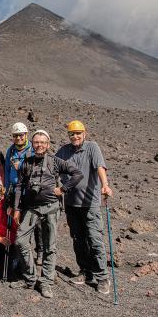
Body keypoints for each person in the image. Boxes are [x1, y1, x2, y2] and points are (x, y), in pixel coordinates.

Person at [10, 130, 83, 299]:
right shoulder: (26, 162)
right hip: (31, 208)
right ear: (32, 143)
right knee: (20, 240)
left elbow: (78, 174)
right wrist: (16, 208)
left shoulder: (55, 161)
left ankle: (46, 282)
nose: (39, 145)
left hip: (51, 207)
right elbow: (20, 186)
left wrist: (63, 189)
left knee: (50, 247)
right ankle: (30, 278)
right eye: (36, 142)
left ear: (48, 145)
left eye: (43, 142)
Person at [56, 120, 113, 294]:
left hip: (90, 203)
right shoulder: (64, 151)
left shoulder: (92, 147)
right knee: (78, 240)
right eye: (72, 134)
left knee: (95, 240)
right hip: (72, 204)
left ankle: (102, 277)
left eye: (78, 133)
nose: (75, 136)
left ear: (84, 133)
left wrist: (105, 185)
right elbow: (53, 167)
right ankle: (85, 272)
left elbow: (100, 167)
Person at [4, 122, 43, 265]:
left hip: (29, 191)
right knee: (19, 221)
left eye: (21, 135)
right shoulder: (11, 150)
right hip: (15, 191)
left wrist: (19, 166)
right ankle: (23, 252)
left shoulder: (32, 150)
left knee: (35, 221)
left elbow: (34, 168)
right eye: (15, 136)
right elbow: (8, 170)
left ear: (26, 135)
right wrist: (6, 188)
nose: (18, 138)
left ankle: (40, 251)